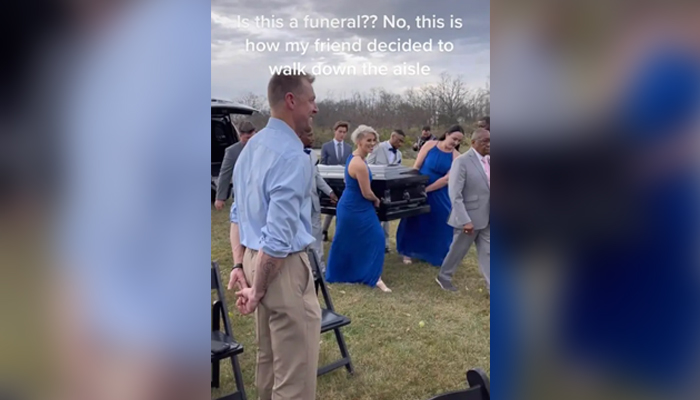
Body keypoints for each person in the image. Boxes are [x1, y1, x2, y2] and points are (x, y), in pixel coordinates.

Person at [228, 71, 321, 400]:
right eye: (311, 100)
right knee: (294, 375)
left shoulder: (250, 151)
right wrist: (259, 288)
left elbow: (237, 216)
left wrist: (240, 266)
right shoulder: (292, 156)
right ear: (291, 101)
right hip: (278, 269)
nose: (315, 108)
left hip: (256, 262)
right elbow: (279, 240)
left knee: (269, 364)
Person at [325, 125, 391, 292]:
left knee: (362, 239)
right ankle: (368, 276)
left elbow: (348, 183)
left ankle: (371, 275)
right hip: (354, 207)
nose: (372, 143)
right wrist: (376, 200)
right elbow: (367, 192)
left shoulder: (355, 158)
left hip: (354, 204)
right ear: (358, 141)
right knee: (374, 237)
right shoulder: (358, 163)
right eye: (368, 140)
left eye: (374, 140)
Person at [397, 125, 464, 266]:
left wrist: (427, 190)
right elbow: (416, 167)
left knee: (442, 220)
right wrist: (415, 187)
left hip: (438, 191)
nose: (455, 142)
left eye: (459, 141)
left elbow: (446, 179)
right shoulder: (429, 145)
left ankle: (437, 253)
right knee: (413, 219)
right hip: (419, 186)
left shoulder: (457, 157)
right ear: (447, 134)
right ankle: (408, 252)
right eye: (454, 138)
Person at [436, 129, 491, 292]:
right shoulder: (462, 162)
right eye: (484, 141)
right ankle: (444, 276)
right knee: (458, 250)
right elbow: (455, 194)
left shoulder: (489, 160)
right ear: (473, 143)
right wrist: (465, 220)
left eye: (490, 141)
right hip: (469, 218)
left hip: (488, 216)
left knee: (489, 253)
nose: (489, 144)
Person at [300, 130, 338, 273]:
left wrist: (330, 192)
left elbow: (317, 177)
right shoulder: (292, 154)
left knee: (316, 236)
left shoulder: (312, 154)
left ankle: (319, 267)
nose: (313, 138)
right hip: (299, 204)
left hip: (313, 202)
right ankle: (304, 266)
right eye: (309, 135)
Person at [367, 129, 405, 252]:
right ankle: (372, 242)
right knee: (375, 216)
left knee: (386, 216)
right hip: (375, 185)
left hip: (389, 188)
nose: (400, 144)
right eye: (399, 140)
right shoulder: (378, 147)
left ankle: (385, 244)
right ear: (393, 137)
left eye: (402, 142)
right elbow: (368, 164)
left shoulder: (398, 154)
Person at [320, 121, 352, 241]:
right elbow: (323, 165)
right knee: (331, 209)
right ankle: (324, 230)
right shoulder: (326, 147)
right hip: (330, 182)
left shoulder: (348, 148)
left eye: (344, 132)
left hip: (343, 182)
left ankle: (340, 232)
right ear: (335, 131)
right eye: (340, 132)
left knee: (342, 208)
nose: (342, 134)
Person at [214, 121, 256, 210]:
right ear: (240, 136)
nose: (249, 141)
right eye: (247, 138)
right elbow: (225, 174)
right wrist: (220, 197)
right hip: (242, 194)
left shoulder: (263, 148)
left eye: (252, 137)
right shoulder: (232, 152)